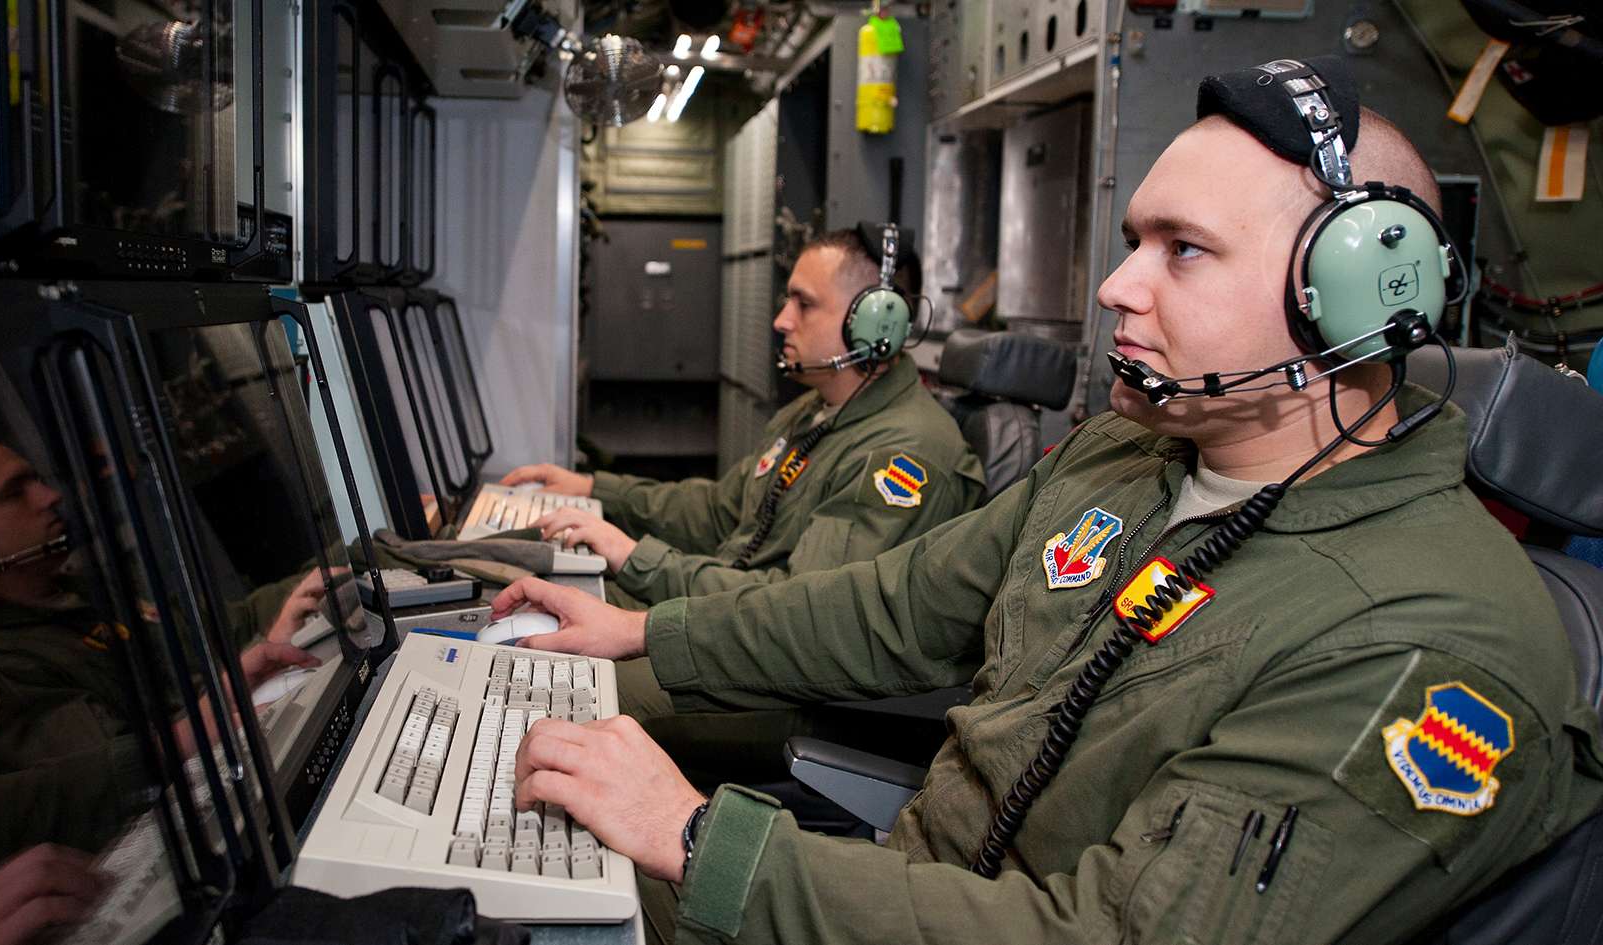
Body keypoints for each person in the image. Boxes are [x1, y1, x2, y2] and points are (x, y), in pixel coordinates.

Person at [485, 58, 1603, 944]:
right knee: (469, 875)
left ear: (1361, 292)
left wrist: (697, 837)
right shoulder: (1124, 457)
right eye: (1132, 244)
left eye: (1185, 251)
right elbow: (898, 605)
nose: (1118, 286)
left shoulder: (1426, 642)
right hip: (898, 893)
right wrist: (643, 628)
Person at [501, 225, 984, 608]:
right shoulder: (815, 411)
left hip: (788, 684)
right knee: (533, 604)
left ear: (877, 327)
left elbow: (801, 609)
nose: (781, 320)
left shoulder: (903, 453)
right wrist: (594, 491)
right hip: (734, 627)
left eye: (804, 303)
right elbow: (719, 512)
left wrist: (636, 558)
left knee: (551, 661)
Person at [0, 439, 319, 884]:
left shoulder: (85, 591)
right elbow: (133, 783)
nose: (49, 496)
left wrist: (319, 578)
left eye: (37, 480)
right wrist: (217, 704)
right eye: (15, 491)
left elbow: (219, 624)